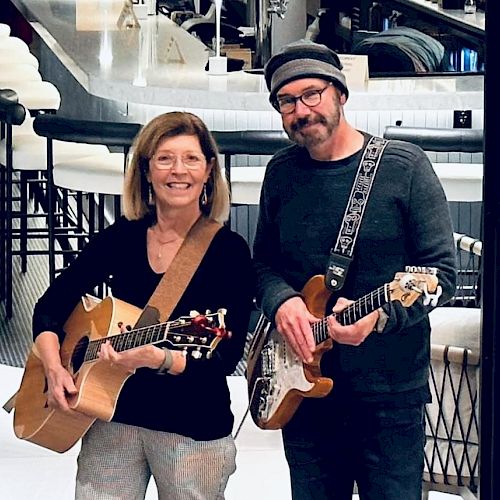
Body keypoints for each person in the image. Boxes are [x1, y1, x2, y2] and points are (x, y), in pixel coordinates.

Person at [253, 39, 457, 499]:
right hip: (302, 388)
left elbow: (441, 274)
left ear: (340, 94)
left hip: (389, 395)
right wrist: (282, 302)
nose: (301, 110)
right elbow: (262, 264)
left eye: (312, 94)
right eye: (286, 101)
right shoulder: (281, 172)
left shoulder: (404, 167)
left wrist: (381, 317)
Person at [32, 111, 254, 499]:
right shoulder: (123, 237)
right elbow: (50, 305)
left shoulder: (229, 252)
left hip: (192, 426)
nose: (178, 170)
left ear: (209, 171)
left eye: (191, 159)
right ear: (146, 171)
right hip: (111, 413)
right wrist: (54, 368)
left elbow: (225, 354)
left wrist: (160, 359)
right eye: (165, 158)